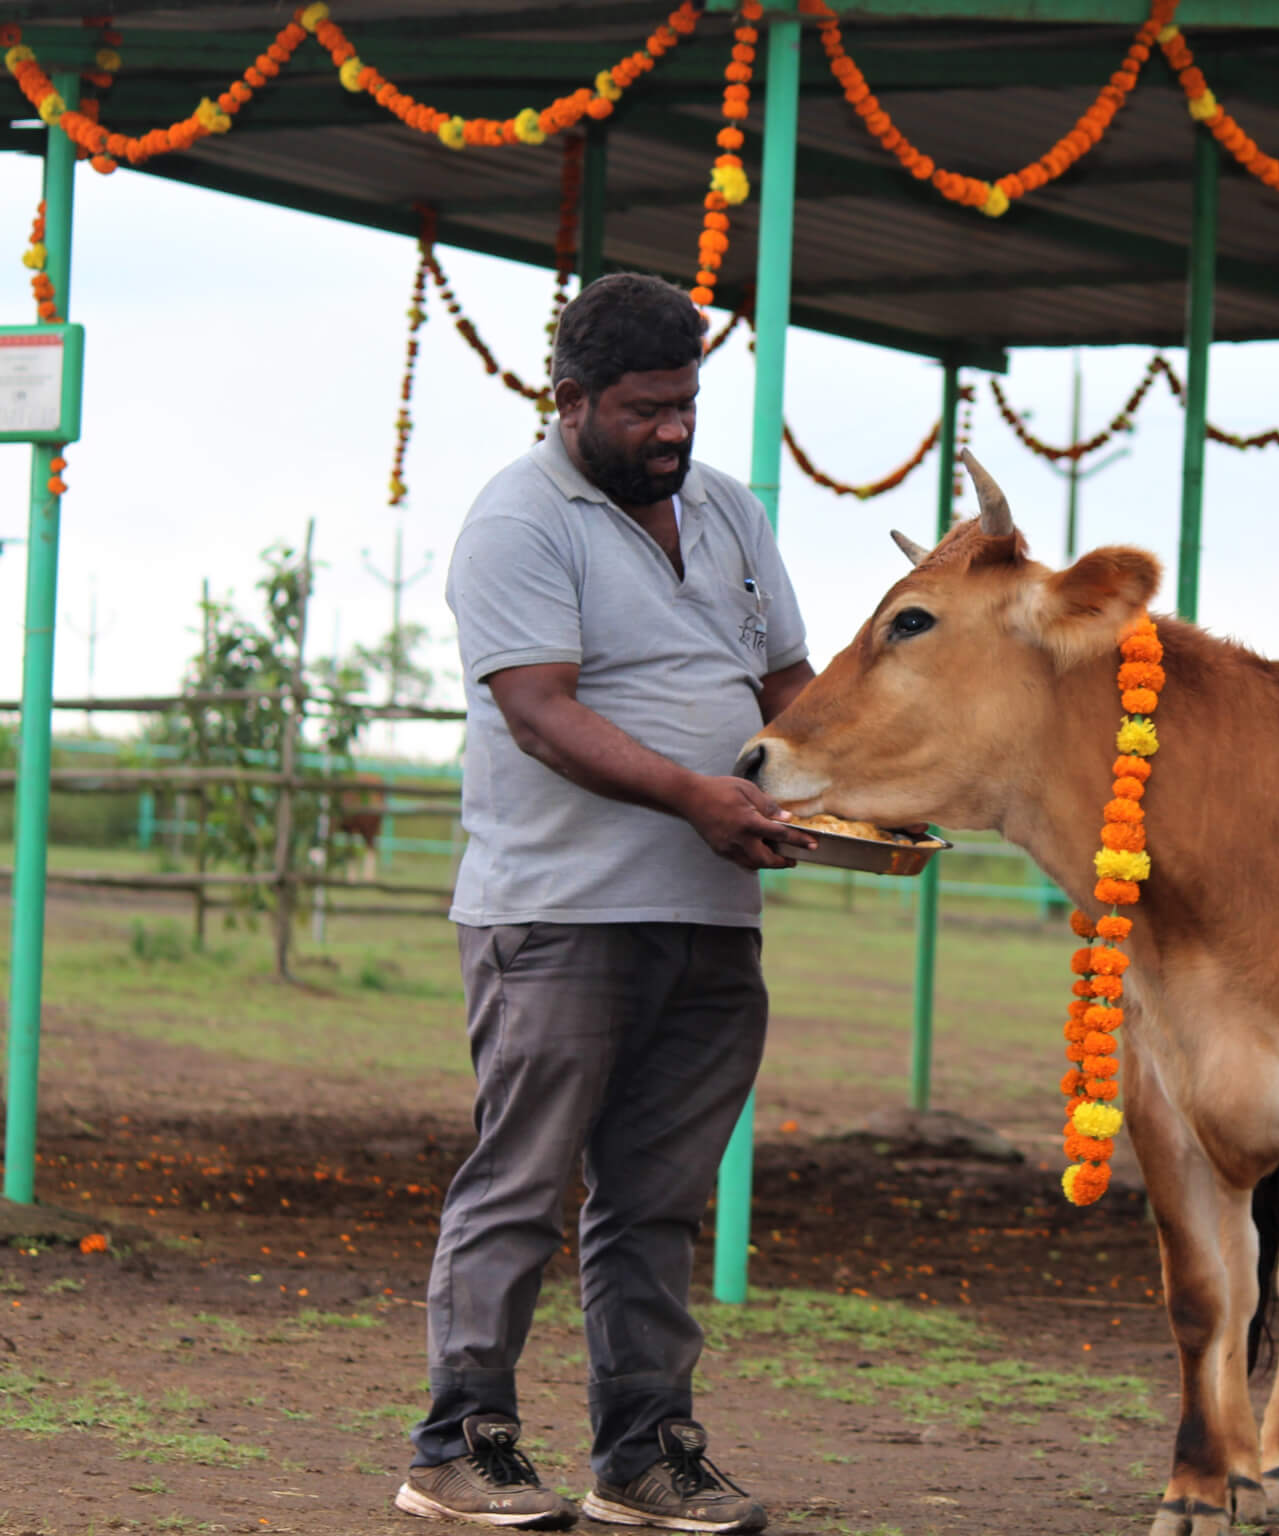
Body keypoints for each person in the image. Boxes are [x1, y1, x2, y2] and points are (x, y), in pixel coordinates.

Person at [396, 271, 818, 1532]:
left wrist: (868, 790)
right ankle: (456, 1443)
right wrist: (697, 796)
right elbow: (539, 714)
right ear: (570, 400)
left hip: (709, 920)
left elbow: (790, 688)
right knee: (519, 1186)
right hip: (559, 917)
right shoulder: (519, 521)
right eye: (644, 411)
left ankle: (644, 1453)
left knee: (657, 1197)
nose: (673, 433)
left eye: (686, 404)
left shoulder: (731, 513)